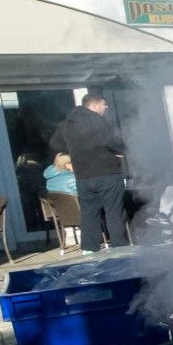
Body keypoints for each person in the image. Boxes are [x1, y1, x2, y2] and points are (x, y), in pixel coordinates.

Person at [49, 88, 127, 251]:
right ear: (95, 105)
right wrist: (121, 150)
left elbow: (55, 144)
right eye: (104, 105)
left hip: (83, 176)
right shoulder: (98, 121)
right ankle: (120, 248)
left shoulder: (67, 124)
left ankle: (90, 249)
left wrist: (76, 149)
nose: (106, 108)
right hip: (106, 172)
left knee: (89, 213)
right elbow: (111, 142)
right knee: (114, 211)